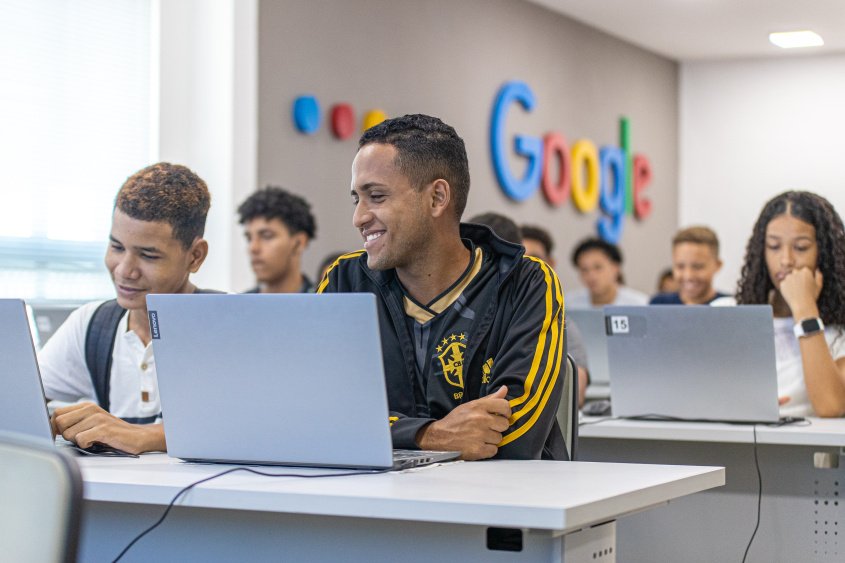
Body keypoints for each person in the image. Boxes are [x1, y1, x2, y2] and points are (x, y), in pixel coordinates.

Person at [319, 114, 565, 460]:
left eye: (375, 196)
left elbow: (515, 433)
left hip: (503, 503)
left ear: (437, 198)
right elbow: (322, 412)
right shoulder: (345, 281)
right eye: (355, 199)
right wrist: (429, 435)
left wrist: (386, 431)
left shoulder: (524, 281)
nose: (359, 217)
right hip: (375, 499)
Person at [39, 163, 216, 454]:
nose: (124, 270)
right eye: (116, 247)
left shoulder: (231, 327)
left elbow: (253, 428)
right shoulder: (91, 324)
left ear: (195, 256)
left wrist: (143, 436)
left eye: (148, 255)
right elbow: (19, 402)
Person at [734, 191, 845, 418]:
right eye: (774, 247)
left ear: (823, 253)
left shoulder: (839, 332)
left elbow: (832, 406)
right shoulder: (730, 313)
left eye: (801, 247)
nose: (786, 260)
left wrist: (804, 309)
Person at [519, 223, 590, 407]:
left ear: (551, 263)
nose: (527, 267)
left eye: (535, 259)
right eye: (521, 259)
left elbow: (576, 395)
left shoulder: (563, 324)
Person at [237, 186, 317, 294]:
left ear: (299, 243)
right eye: (249, 238)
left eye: (267, 236)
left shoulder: (325, 304)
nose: (253, 248)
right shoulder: (239, 306)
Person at [650, 226, 728, 305]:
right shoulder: (659, 304)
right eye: (680, 266)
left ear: (717, 265)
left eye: (697, 267)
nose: (688, 276)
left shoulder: (731, 305)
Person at [568, 238, 648, 308]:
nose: (591, 276)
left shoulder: (640, 304)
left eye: (598, 267)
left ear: (616, 268)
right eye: (584, 270)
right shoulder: (569, 305)